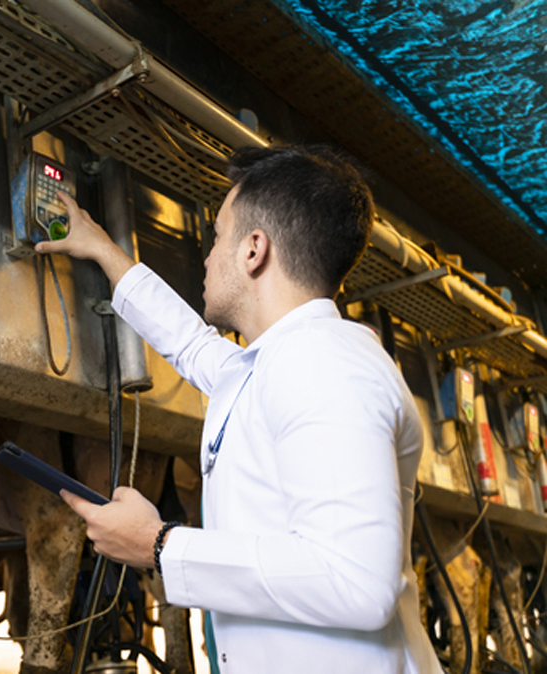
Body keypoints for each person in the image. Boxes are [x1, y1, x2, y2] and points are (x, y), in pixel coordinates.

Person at [36, 145, 441, 673]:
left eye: (218, 236)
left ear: (254, 250)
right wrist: (105, 253)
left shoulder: (325, 364)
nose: (207, 256)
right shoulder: (276, 364)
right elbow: (191, 344)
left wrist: (158, 545)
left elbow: (356, 581)